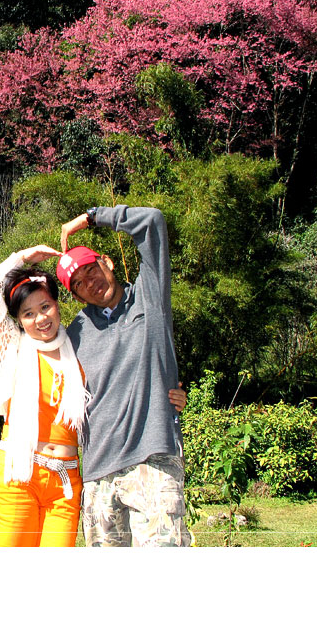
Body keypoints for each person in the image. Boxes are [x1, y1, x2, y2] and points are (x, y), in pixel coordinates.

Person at [59, 205, 190, 547]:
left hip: (153, 463)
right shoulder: (74, 334)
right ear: (75, 296)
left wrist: (90, 218)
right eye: (78, 283)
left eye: (91, 269)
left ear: (108, 262)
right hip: (98, 475)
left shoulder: (149, 296)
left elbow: (152, 222)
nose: (89, 283)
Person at [0, 245, 88, 547]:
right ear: (19, 320)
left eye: (45, 307)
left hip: (65, 485)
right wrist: (21, 258)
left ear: (57, 305)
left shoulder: (78, 349)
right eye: (29, 313)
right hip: (17, 475)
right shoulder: (13, 348)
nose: (40, 318)